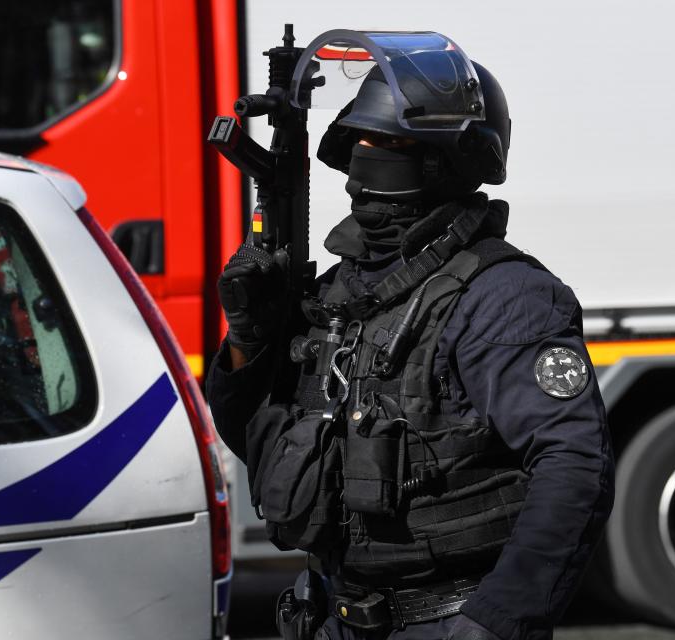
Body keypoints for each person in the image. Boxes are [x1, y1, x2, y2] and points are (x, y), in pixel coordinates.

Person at [206, 34, 614, 640]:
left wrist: (497, 620)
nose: (367, 154)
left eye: (389, 141)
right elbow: (267, 449)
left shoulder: (504, 295)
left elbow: (575, 463)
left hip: (446, 621)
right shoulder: (343, 290)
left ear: (446, 161)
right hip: (329, 616)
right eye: (361, 140)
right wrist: (250, 342)